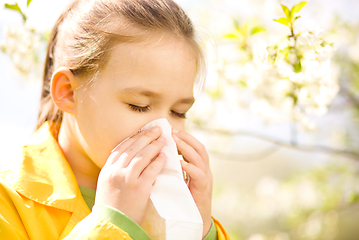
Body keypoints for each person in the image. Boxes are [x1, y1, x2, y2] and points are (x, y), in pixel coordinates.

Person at [0, 0, 230, 239]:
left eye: (178, 112)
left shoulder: (172, 202)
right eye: (138, 106)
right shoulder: (7, 206)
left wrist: (202, 231)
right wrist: (112, 224)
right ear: (68, 92)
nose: (163, 132)